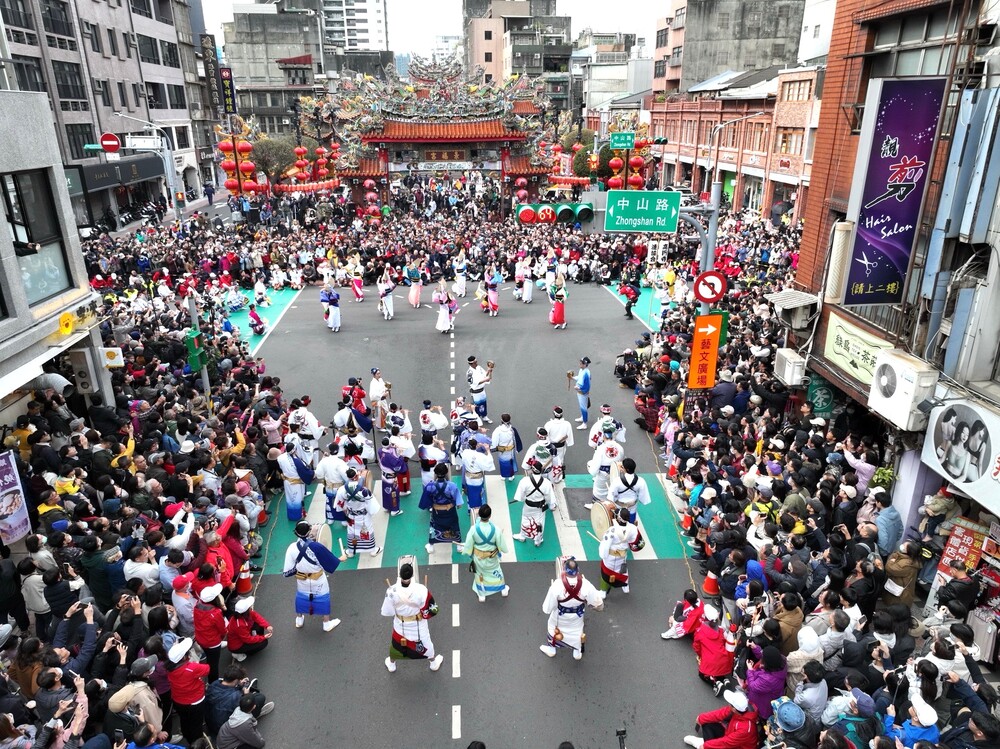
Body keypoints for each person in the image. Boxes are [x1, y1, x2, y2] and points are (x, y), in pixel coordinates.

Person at [282, 521, 347, 632]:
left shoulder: (291, 548)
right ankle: (326, 623)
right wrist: (340, 559)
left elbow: (287, 572)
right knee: (323, 598)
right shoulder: (317, 547)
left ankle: (299, 620)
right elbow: (330, 564)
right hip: (318, 580)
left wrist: (301, 569)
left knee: (301, 597)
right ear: (309, 532)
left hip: (302, 580)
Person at [380, 561, 443, 673]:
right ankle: (433, 663)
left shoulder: (391, 591)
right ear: (412, 575)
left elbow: (388, 612)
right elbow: (432, 609)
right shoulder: (421, 589)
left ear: (399, 575)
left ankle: (392, 664)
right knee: (426, 643)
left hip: (400, 624)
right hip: (418, 624)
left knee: (396, 645)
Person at [540, 557, 604, 661]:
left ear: (564, 570)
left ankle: (552, 650)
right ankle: (577, 652)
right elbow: (598, 604)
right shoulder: (586, 584)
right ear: (578, 570)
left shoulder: (557, 585)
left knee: (552, 628)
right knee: (577, 632)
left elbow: (546, 609)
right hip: (577, 617)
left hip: (559, 617)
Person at [459, 505, 510, 602]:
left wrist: (469, 552)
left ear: (479, 515)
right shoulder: (496, 529)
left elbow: (468, 545)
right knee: (497, 572)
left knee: (480, 574)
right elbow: (502, 546)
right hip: (492, 558)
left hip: (478, 558)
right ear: (490, 515)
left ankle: (482, 595)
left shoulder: (473, 529)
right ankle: (503, 590)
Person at [682, 688, 759, 749]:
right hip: (730, 735)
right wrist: (701, 718)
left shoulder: (746, 729)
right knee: (707, 723)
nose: (728, 704)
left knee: (712, 743)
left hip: (736, 746)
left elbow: (727, 742)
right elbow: (719, 714)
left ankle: (702, 744)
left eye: (730, 704)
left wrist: (706, 746)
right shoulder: (740, 709)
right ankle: (705, 743)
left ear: (734, 709)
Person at [333, 468, 382, 558]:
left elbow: (340, 504)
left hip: (351, 515)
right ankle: (372, 550)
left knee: (352, 532)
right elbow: (372, 507)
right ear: (356, 476)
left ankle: (351, 551)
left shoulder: (341, 489)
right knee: (367, 530)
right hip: (363, 515)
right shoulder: (364, 490)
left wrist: (346, 513)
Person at [419, 463, 463, 554]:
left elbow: (425, 502)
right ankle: (459, 546)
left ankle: (431, 546)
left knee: (434, 526)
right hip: (450, 511)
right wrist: (453, 504)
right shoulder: (452, 485)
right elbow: (458, 502)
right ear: (446, 473)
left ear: (435, 473)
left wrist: (433, 505)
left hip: (437, 512)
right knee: (454, 525)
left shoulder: (430, 486)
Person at [597, 507, 641, 598]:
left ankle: (603, 591)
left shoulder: (611, 530)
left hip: (610, 557)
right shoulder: (633, 528)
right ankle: (625, 587)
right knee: (622, 571)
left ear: (619, 518)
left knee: (606, 572)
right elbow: (635, 542)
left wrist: (603, 555)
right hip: (623, 555)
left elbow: (605, 545)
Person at [512, 462, 556, 546]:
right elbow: (549, 498)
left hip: (528, 505)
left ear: (532, 470)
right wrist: (546, 502)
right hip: (540, 507)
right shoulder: (547, 482)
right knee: (540, 523)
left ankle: (522, 536)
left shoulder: (524, 481)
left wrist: (525, 498)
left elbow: (519, 497)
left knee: (525, 520)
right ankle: (538, 540)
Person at [458, 437, 494, 514]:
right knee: (478, 492)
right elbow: (489, 462)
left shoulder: (465, 452)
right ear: (476, 445)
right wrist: (487, 450)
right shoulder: (480, 456)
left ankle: (470, 508)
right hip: (478, 478)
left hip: (468, 477)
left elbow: (462, 455)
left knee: (470, 492)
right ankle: (478, 508)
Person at [543, 407, 574, 484]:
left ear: (554, 414)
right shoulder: (567, 424)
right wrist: (568, 442)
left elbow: (545, 436)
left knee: (549, 461)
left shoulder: (549, 424)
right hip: (561, 446)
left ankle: (548, 476)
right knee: (559, 461)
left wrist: (545, 444)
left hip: (550, 446)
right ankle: (557, 477)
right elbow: (569, 436)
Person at [376, 439, 406, 517]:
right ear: (389, 444)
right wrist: (401, 455)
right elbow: (397, 465)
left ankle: (387, 507)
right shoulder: (389, 457)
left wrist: (393, 447)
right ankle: (394, 510)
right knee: (394, 494)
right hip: (391, 478)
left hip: (384, 476)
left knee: (386, 492)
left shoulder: (380, 451)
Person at [490, 413, 521, 481]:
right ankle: (511, 476)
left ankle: (503, 476)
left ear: (501, 420)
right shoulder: (512, 429)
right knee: (511, 461)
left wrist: (492, 448)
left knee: (503, 462)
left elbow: (494, 441)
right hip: (510, 449)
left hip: (502, 449)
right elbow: (516, 439)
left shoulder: (498, 430)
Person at [466, 356, 493, 424]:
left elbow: (484, 375)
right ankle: (476, 419)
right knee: (476, 406)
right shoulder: (469, 373)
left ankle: (484, 416)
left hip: (482, 390)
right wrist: (485, 380)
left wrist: (488, 370)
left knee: (483, 404)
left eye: (476, 361)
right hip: (476, 393)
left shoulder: (479, 367)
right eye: (475, 362)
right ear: (471, 364)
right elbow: (474, 383)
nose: (477, 363)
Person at [573, 357, 591, 429]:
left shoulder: (586, 373)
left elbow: (587, 386)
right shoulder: (581, 370)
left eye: (581, 363)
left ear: (585, 364)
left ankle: (584, 423)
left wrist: (579, 388)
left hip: (583, 393)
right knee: (582, 406)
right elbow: (579, 378)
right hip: (580, 392)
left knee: (583, 408)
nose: (580, 364)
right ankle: (583, 417)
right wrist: (572, 377)